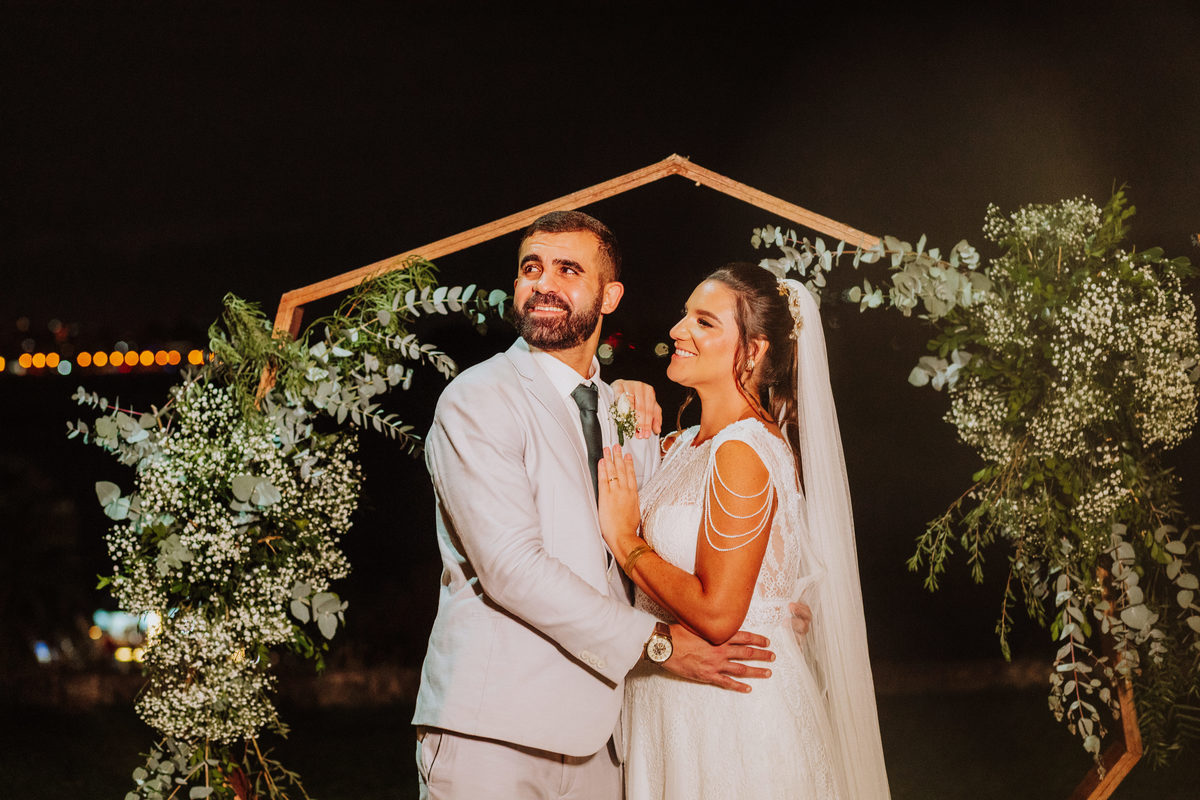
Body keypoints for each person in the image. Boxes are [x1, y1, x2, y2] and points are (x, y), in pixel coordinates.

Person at [412, 212, 780, 800]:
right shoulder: (477, 400)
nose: (544, 282)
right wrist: (656, 644)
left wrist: (775, 604)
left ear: (610, 295)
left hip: (609, 742)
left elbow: (669, 541)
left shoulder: (626, 413)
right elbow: (511, 569)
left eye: (568, 269)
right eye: (530, 268)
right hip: (496, 734)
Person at [598, 263, 892, 799]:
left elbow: (717, 613)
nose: (677, 331)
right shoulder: (683, 446)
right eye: (686, 315)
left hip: (730, 714)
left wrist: (626, 541)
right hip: (673, 705)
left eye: (704, 322)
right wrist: (621, 392)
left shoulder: (743, 451)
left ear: (753, 352)